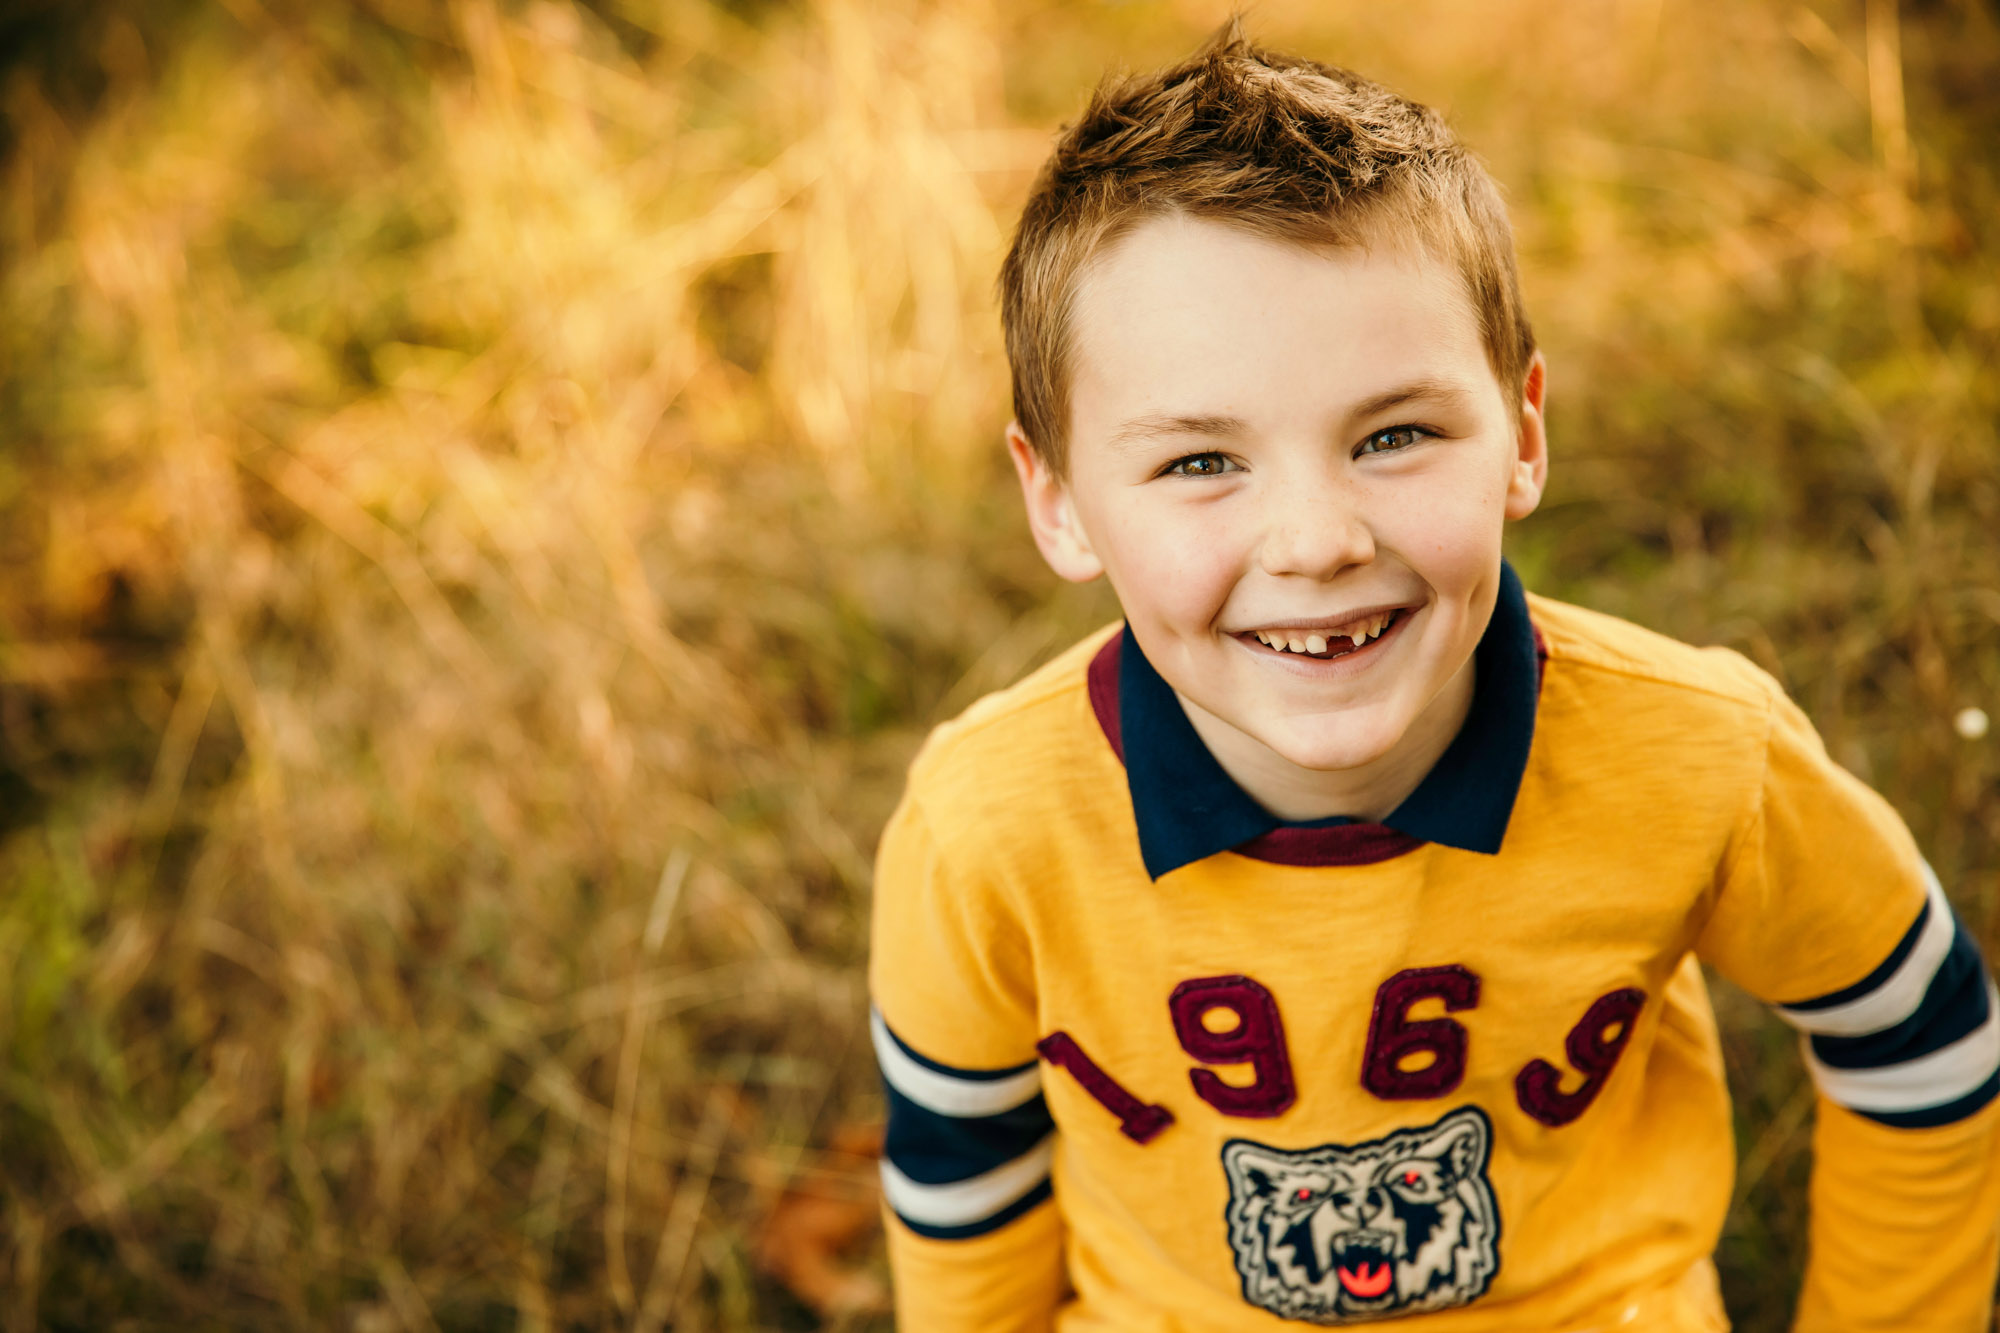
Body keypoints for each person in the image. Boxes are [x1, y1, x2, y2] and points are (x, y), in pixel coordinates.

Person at [866, 25, 2000, 1331]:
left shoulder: (1701, 759)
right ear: (1058, 502)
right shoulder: (984, 834)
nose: (1318, 539)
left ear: (1520, 433)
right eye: (1199, 462)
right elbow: (963, 1182)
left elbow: (1921, 1032)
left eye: (1394, 435)